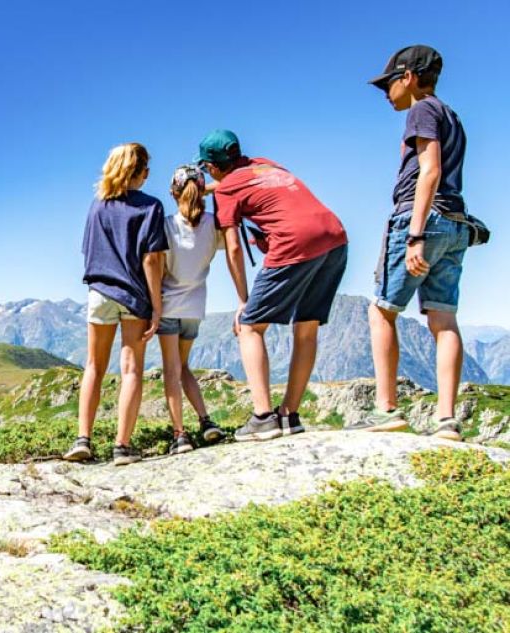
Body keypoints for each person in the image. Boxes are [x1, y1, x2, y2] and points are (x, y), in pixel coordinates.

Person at [198, 129, 348, 442]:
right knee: (306, 327)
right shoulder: (267, 164)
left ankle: (263, 417)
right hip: (335, 237)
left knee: (251, 326)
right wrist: (206, 188)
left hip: (295, 241)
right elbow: (241, 183)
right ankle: (289, 415)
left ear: (212, 165)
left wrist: (243, 301)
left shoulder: (226, 193)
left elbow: (234, 248)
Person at [358, 45, 469, 441]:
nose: (386, 93)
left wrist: (415, 234)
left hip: (423, 216)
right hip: (456, 223)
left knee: (382, 311)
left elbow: (430, 169)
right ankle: (446, 420)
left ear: (407, 77)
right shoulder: (451, 116)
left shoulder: (421, 110)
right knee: (444, 319)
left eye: (388, 84)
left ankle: (386, 409)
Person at [63, 142, 167, 466]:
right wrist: (156, 304)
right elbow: (152, 260)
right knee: (131, 368)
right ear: (142, 173)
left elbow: (87, 250)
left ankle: (84, 439)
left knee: (94, 366)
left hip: (100, 292)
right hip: (134, 295)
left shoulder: (97, 206)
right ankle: (122, 447)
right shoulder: (151, 207)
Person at [158, 164, 227, 455]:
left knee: (171, 371)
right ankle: (205, 420)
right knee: (184, 367)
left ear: (173, 193)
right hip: (195, 308)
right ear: (202, 192)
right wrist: (207, 190)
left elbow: (157, 267)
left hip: (168, 306)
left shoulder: (166, 225)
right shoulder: (213, 224)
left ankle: (180, 435)